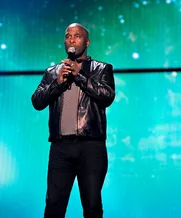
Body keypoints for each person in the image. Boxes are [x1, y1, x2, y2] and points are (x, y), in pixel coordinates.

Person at [31, 23, 115, 218]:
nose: (71, 39)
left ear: (87, 42)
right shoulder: (53, 72)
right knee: (53, 205)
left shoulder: (102, 69)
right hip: (61, 147)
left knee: (92, 204)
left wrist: (80, 76)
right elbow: (37, 102)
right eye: (68, 36)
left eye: (77, 36)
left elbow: (107, 96)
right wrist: (57, 83)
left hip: (91, 146)